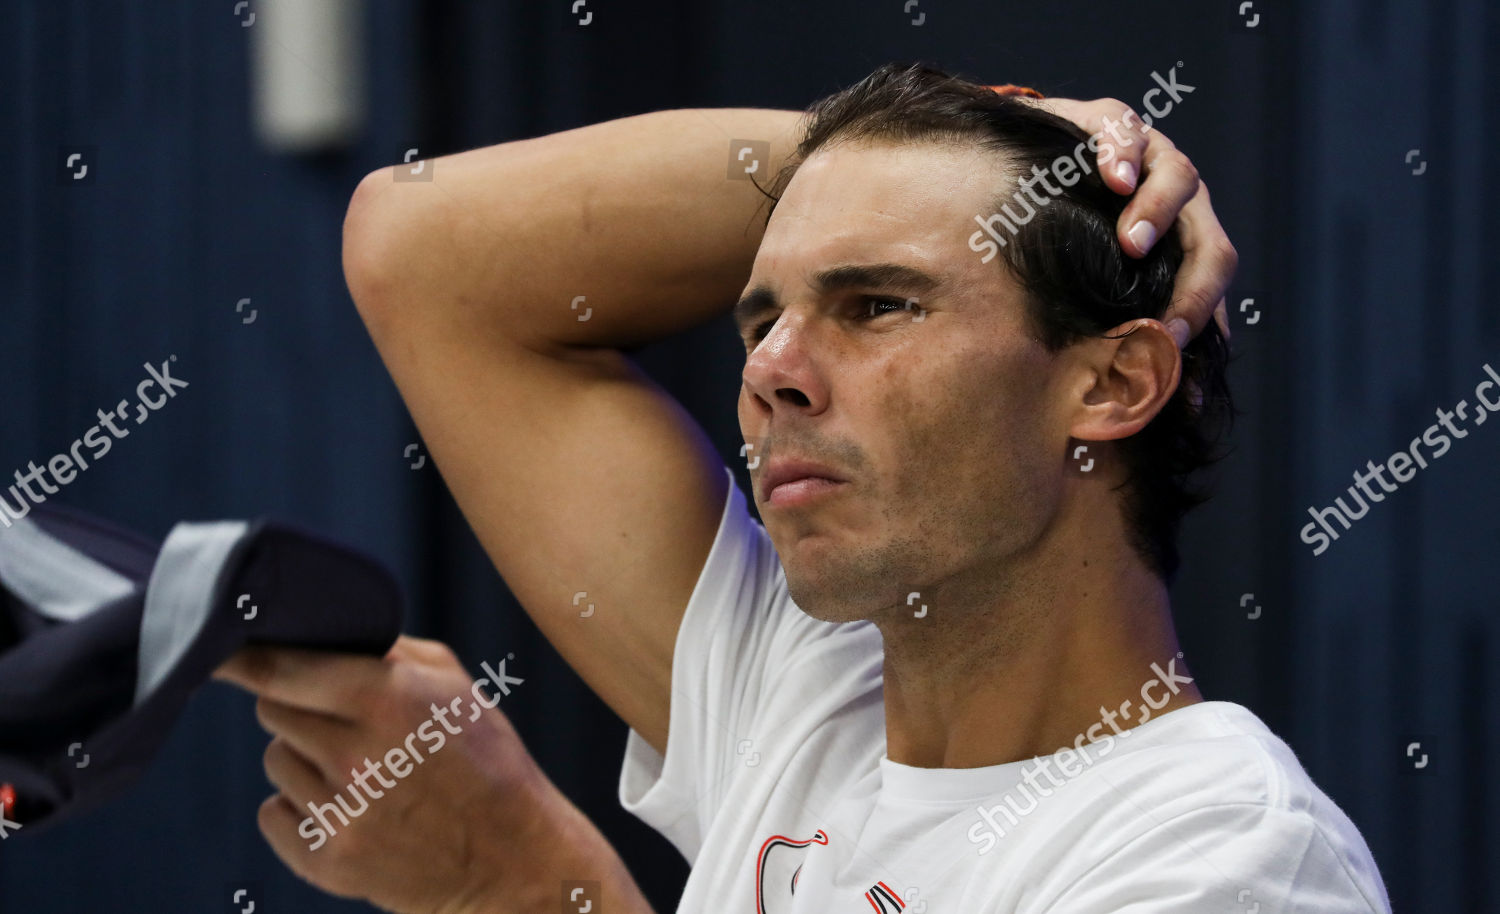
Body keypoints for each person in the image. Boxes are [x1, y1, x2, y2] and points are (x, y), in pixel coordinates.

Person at [216, 62, 1387, 912]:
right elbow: (421, 246)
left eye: (878, 305)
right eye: (763, 315)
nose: (769, 371)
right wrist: (864, 157)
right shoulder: (804, 702)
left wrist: (515, 881)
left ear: (1116, 380)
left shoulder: (1223, 858)